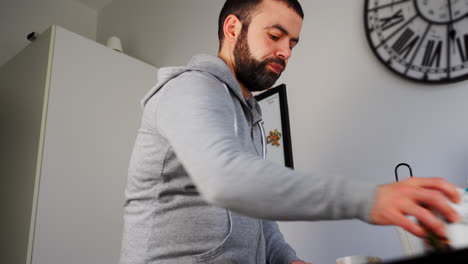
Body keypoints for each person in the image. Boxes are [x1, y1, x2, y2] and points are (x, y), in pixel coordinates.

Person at [119, 0, 461, 263]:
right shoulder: (190, 88)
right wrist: (371, 199)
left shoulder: (249, 116)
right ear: (233, 28)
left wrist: (287, 259)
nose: (285, 52)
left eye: (293, 43)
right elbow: (227, 180)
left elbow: (256, 214)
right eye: (275, 35)